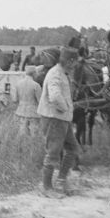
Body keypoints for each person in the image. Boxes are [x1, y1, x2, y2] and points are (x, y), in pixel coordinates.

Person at [37, 46, 81, 198]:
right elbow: (55, 97)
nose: (76, 65)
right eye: (75, 62)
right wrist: (67, 107)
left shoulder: (63, 72)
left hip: (62, 119)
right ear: (69, 61)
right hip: (54, 119)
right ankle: (46, 188)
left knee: (73, 149)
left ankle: (61, 181)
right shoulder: (55, 74)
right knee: (53, 154)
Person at [11, 65, 42, 136]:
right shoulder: (36, 85)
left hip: (21, 111)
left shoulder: (18, 84)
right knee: (34, 133)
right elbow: (40, 102)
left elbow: (15, 100)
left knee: (22, 132)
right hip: (33, 112)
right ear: (34, 73)